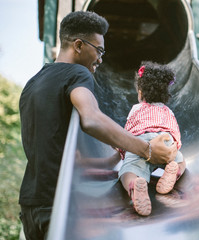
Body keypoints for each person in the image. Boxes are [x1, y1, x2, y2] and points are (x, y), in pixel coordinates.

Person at [18, 11, 177, 240]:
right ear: (79, 45)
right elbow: (91, 118)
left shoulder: (33, 83)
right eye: (99, 50)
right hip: (60, 206)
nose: (101, 59)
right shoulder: (77, 73)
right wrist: (147, 150)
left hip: (31, 206)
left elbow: (60, 157)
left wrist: (112, 161)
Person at [117, 61, 186, 216]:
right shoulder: (168, 111)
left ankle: (134, 184)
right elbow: (174, 130)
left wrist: (122, 150)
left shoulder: (136, 109)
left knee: (127, 170)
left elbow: (128, 131)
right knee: (181, 161)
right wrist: (176, 147)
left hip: (142, 143)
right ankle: (173, 171)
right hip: (165, 142)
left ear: (141, 93)